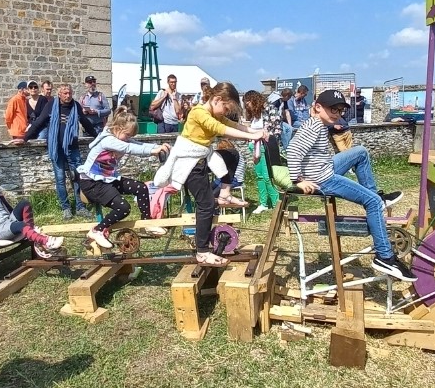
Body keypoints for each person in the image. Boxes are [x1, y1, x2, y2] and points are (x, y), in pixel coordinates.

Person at [287, 89, 413, 281]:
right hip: (322, 179)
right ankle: (385, 257)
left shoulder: (319, 123)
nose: (337, 114)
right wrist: (299, 180)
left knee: (360, 152)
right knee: (373, 204)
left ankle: (375, 195)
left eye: (339, 111)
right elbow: (293, 151)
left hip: (326, 167)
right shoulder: (313, 126)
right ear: (318, 107)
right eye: (332, 110)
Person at [154, 82, 265, 266]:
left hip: (201, 160)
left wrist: (256, 131)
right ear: (217, 100)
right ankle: (202, 251)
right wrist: (251, 137)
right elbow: (221, 130)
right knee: (205, 206)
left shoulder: (214, 113)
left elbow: (234, 125)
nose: (225, 112)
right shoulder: (199, 113)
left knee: (231, 154)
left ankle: (225, 193)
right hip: (189, 165)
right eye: (225, 108)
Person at [77, 107, 171, 248]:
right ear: (118, 129)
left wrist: (158, 147)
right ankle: (97, 230)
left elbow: (136, 144)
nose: (128, 139)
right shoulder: (108, 140)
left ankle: (147, 223)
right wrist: (153, 151)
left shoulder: (120, 138)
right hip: (92, 183)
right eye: (127, 135)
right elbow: (130, 148)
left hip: (107, 180)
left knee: (141, 188)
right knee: (124, 208)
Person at [13, 84, 98, 220]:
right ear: (59, 94)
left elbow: (85, 122)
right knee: (60, 180)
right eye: (64, 93)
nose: (68, 95)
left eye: (69, 93)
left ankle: (80, 206)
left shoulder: (75, 106)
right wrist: (25, 138)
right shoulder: (52, 104)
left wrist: (97, 136)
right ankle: (66, 208)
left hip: (72, 147)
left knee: (78, 178)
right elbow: (39, 122)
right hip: (56, 148)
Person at [0, 168, 64, 253]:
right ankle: (45, 241)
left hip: (8, 221)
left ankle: (32, 233)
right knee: (21, 225)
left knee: (24, 203)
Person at [244, 90, 280, 215]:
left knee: (267, 176)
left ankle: (276, 203)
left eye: (248, 103)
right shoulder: (254, 115)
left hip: (265, 147)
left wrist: (263, 136)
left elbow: (277, 130)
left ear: (254, 100)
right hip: (254, 147)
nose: (247, 106)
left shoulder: (271, 109)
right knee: (259, 177)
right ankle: (263, 203)